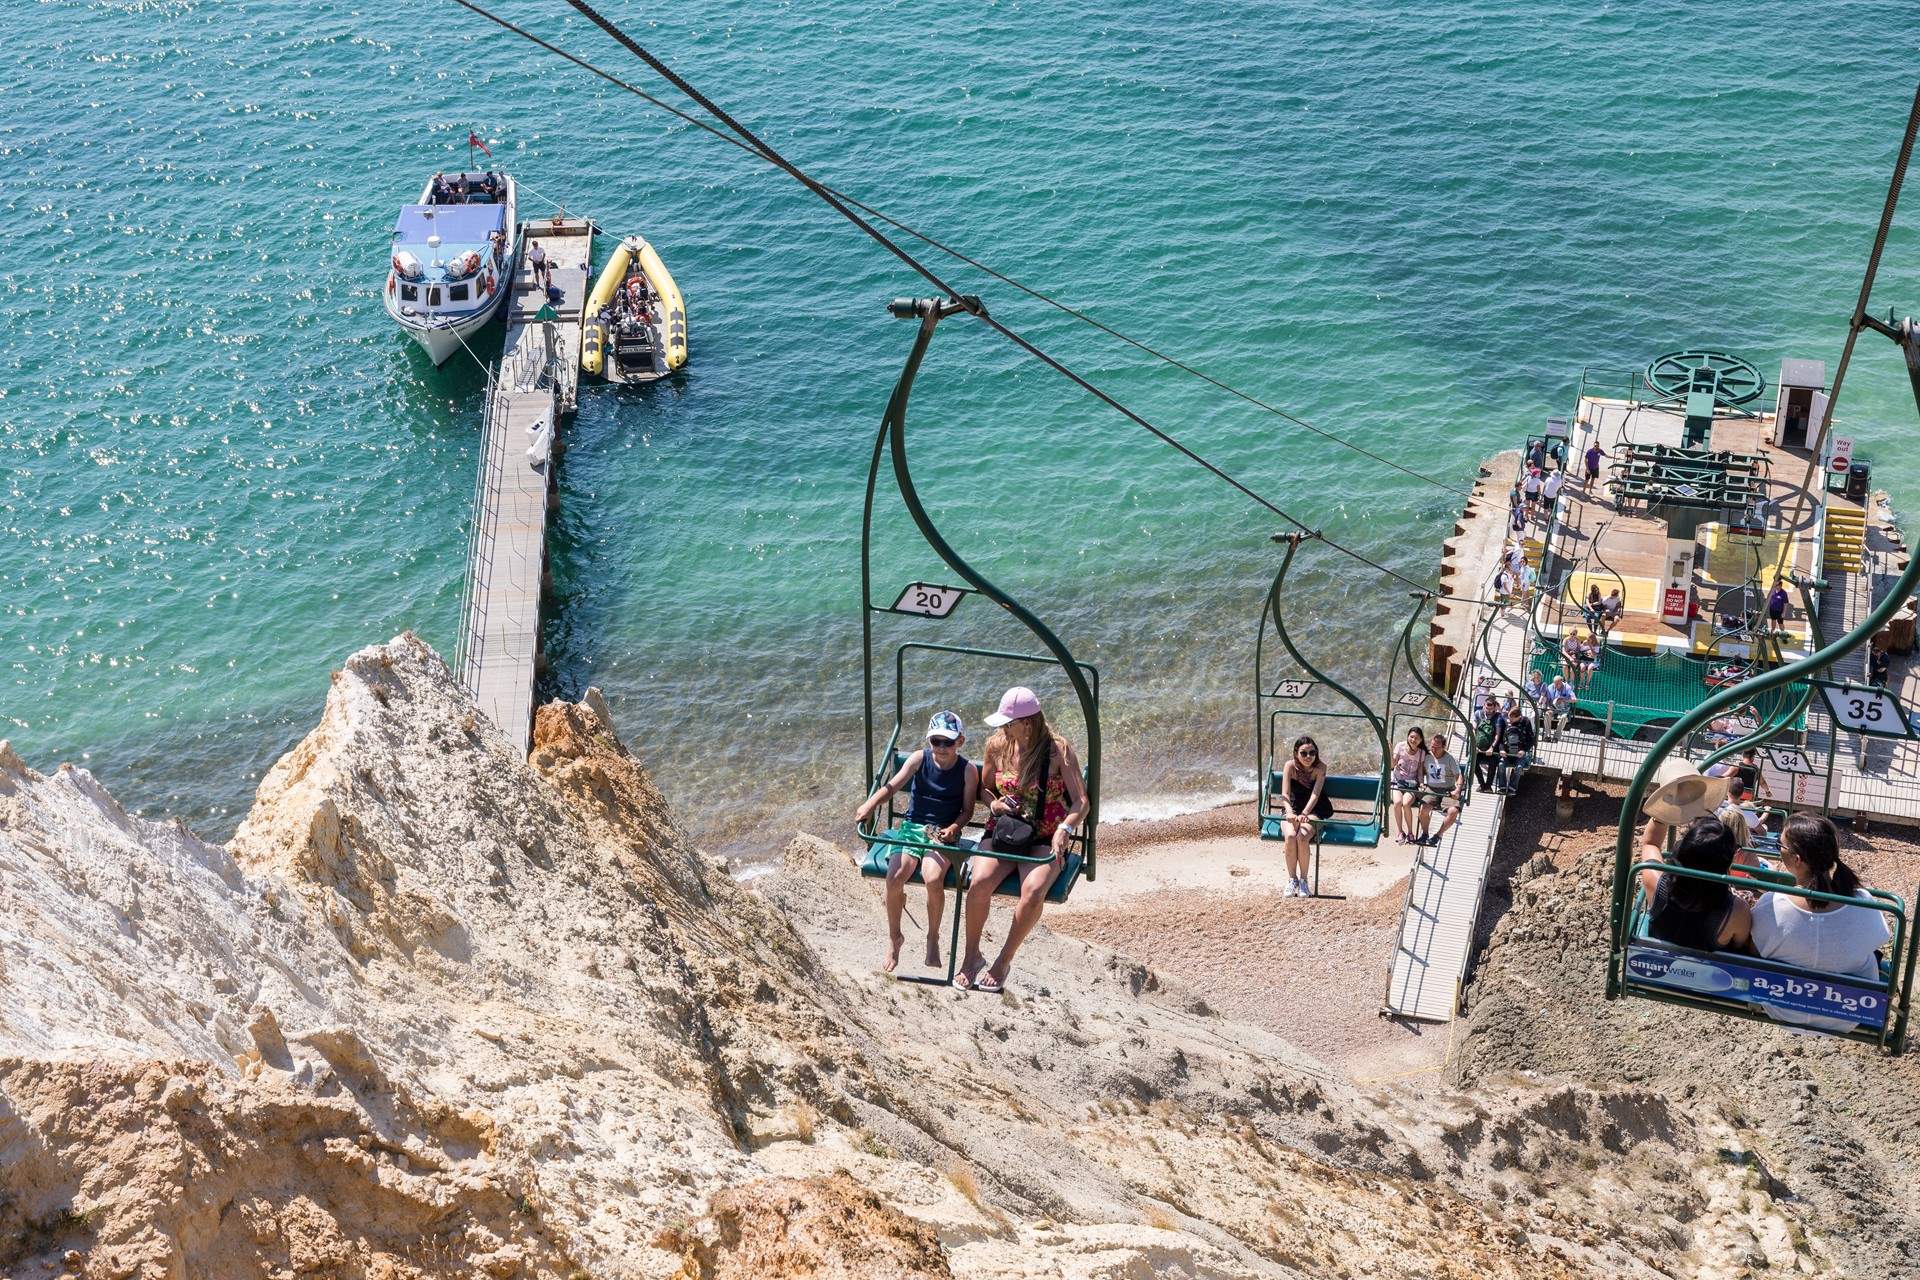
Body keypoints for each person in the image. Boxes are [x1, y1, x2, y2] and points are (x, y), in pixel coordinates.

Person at [958, 687, 1088, 993]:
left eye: (1009, 722)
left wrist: (1065, 829)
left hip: (1045, 834)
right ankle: (971, 957)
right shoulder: (997, 746)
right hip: (1005, 832)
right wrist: (994, 804)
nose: (1004, 727)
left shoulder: (1057, 751)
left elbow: (1081, 802)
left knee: (1032, 891)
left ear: (1027, 722)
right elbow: (986, 789)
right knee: (978, 884)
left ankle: (1003, 961)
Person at [855, 711, 979, 974]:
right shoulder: (920, 759)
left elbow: (967, 810)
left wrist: (954, 828)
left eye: (948, 742)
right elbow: (892, 786)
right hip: (913, 827)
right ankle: (894, 937)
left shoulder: (967, 770)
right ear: (929, 741)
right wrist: (870, 803)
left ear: (960, 741)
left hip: (943, 832)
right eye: (936, 741)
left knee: (932, 878)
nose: (942, 748)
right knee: (895, 876)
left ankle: (932, 936)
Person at [1750, 814, 1890, 1030]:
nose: (1779, 848)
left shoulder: (1772, 904)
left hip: (1783, 1007)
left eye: (1780, 845)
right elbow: (1879, 938)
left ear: (1796, 860)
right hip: (1846, 1013)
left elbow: (1755, 946)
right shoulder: (1864, 901)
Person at [1635, 816, 1752, 950]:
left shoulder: (1657, 884)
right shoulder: (1738, 910)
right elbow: (1739, 945)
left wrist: (1666, 806)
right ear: (1728, 862)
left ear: (1682, 849)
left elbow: (1651, 843)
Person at [1274, 735, 1332, 898]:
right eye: (1304, 753)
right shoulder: (1290, 766)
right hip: (1292, 807)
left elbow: (1315, 794)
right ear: (1296, 753)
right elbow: (1284, 794)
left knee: (1302, 836)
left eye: (1312, 753)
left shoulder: (1321, 768)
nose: (1308, 757)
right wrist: (1290, 812)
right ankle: (1292, 879)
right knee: (1291, 836)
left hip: (1314, 809)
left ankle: (1304, 881)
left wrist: (1305, 813)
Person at [1415, 733, 1465, 846]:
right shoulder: (1427, 756)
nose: (1433, 749)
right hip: (1432, 788)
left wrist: (1457, 790)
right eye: (1432, 746)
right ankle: (1425, 834)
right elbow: (1420, 771)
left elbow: (1459, 776)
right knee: (1423, 809)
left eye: (1436, 747)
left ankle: (1438, 835)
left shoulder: (1449, 759)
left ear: (1443, 747)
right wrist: (1421, 783)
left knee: (1453, 811)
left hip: (1448, 789)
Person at [1389, 726, 1429, 846]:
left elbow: (1420, 772)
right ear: (1408, 736)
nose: (1413, 740)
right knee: (1397, 803)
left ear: (1420, 740)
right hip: (1397, 781)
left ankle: (1410, 832)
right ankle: (1400, 832)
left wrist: (1421, 783)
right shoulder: (1400, 746)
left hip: (1411, 784)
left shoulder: (1421, 753)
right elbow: (1392, 764)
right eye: (1411, 737)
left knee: (1406, 804)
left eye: (1416, 738)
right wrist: (1390, 750)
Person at [1496, 708, 1535, 794]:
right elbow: (1500, 739)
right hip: (1507, 752)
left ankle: (1512, 788)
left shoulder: (1526, 722)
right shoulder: (1506, 721)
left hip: (1519, 753)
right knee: (1501, 765)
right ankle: (1502, 787)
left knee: (1519, 768)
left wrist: (1524, 750)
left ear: (1518, 717)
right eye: (1509, 717)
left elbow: (1531, 739)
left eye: (1512, 718)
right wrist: (1502, 749)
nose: (1510, 720)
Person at [1473, 698, 1506, 791]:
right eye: (1487, 709)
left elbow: (1498, 735)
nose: (1488, 711)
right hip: (1479, 747)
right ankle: (1482, 784)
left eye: (1491, 709)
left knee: (1493, 762)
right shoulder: (1478, 714)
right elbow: (1473, 727)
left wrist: (1491, 748)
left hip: (1491, 748)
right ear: (1484, 706)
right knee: (1473, 762)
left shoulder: (1498, 718)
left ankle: (1488, 786)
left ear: (1495, 708)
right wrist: (1474, 744)